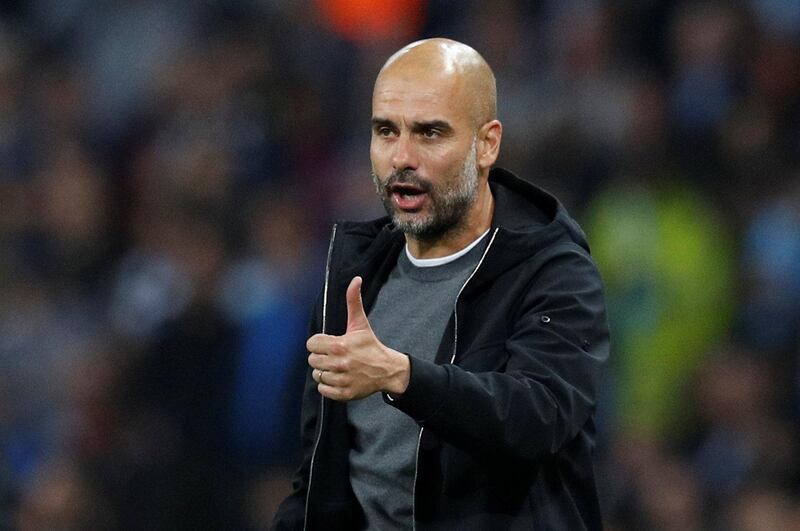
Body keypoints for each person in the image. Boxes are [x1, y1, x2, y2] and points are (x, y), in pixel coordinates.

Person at [271, 38, 609, 530]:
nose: (401, 157)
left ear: (487, 143)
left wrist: (402, 376)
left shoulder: (553, 271)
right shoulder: (353, 274)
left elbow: (539, 416)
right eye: (386, 131)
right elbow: (319, 478)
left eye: (430, 133)